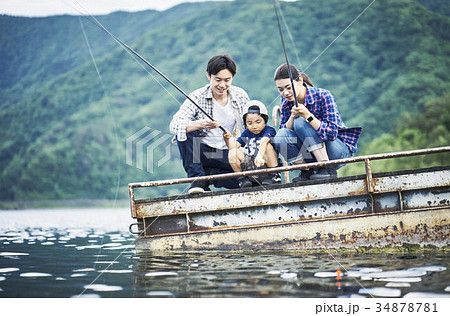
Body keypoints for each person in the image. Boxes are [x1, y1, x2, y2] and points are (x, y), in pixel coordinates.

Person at [170, 54, 250, 194]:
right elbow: (174, 125)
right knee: (185, 130)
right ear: (209, 76)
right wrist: (199, 124)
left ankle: (210, 174)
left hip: (230, 153)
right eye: (217, 80)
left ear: (232, 78)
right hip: (204, 152)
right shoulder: (197, 96)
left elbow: (252, 125)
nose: (222, 85)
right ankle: (197, 180)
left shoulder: (240, 95)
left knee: (251, 181)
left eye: (227, 80)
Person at [273, 63, 362, 181]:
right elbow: (284, 132)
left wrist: (308, 116)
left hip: (335, 151)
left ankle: (326, 167)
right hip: (310, 154)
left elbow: (331, 133)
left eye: (289, 88)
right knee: (280, 136)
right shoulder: (286, 101)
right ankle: (306, 171)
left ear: (299, 80)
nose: (285, 93)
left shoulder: (323, 95)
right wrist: (292, 117)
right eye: (281, 89)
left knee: (300, 121)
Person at [223, 100, 281, 188]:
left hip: (265, 165)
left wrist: (259, 156)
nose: (254, 126)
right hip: (252, 165)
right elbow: (234, 147)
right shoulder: (247, 132)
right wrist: (226, 139)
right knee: (232, 152)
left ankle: (274, 176)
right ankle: (242, 179)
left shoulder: (269, 130)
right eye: (249, 123)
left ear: (264, 121)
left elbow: (264, 141)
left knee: (268, 146)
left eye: (258, 122)